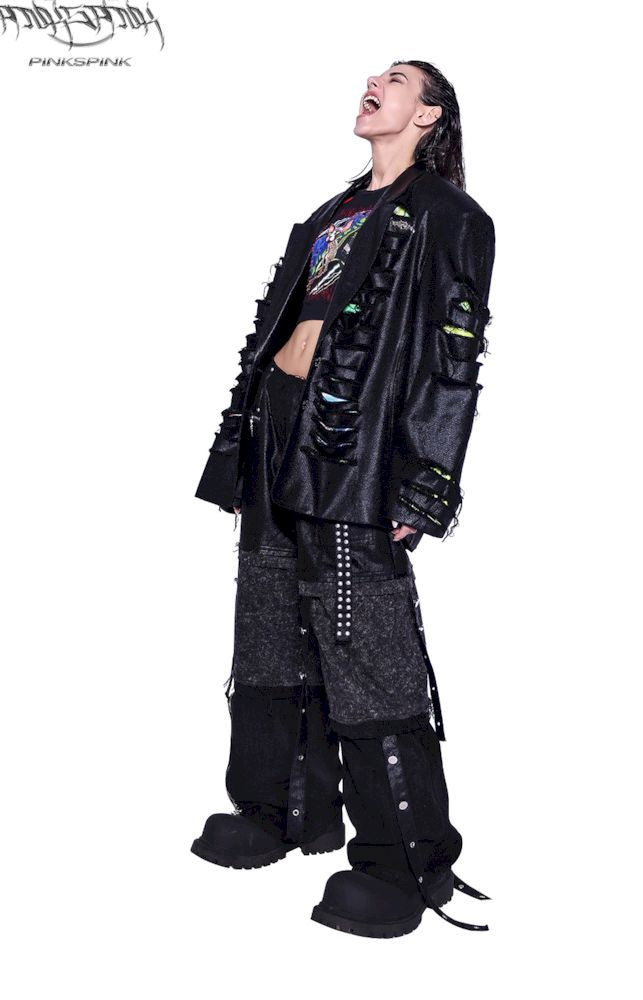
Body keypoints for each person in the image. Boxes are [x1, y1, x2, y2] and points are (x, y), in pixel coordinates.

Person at [191, 60, 496, 938]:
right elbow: (277, 329)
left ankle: (407, 861)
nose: (373, 83)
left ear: (428, 114)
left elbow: (452, 355)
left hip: (353, 451)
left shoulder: (449, 216)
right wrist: (240, 445)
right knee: (268, 628)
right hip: (276, 433)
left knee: (366, 643)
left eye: (396, 79)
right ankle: (281, 810)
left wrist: (427, 479)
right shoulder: (332, 211)